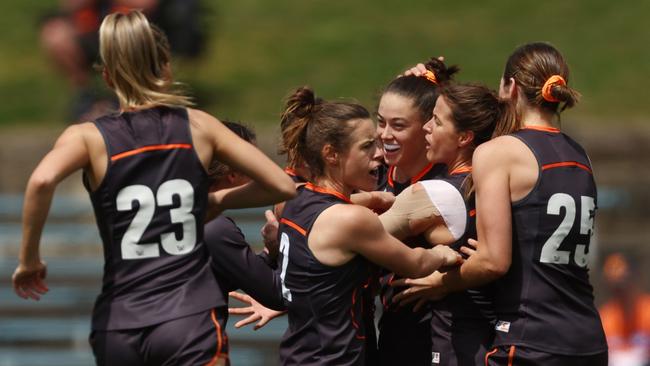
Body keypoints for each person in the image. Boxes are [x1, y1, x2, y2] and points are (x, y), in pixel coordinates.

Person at [13, 10, 295, 366]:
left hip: (119, 323)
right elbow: (281, 184)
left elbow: (40, 181)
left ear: (107, 76)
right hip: (187, 319)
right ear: (166, 67)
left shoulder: (87, 137)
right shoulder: (197, 126)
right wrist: (218, 200)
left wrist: (29, 261)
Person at [401, 42, 608, 365]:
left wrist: (441, 282)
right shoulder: (580, 155)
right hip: (589, 341)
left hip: (531, 340)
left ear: (510, 87)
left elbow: (493, 262)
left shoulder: (498, 153)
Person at [275, 86, 462, 365]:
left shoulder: (293, 200)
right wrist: (443, 254)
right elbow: (416, 264)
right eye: (366, 147)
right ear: (331, 155)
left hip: (298, 354)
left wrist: (371, 197)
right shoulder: (352, 220)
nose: (378, 154)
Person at [380, 82, 515, 366]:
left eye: (437, 121)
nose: (426, 127)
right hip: (489, 342)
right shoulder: (495, 184)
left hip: (456, 344)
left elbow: (356, 237)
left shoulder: (435, 194)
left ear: (464, 137)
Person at [375, 57, 458, 365]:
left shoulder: (445, 183)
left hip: (438, 336)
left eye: (398, 125)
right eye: (381, 121)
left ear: (427, 129)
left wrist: (445, 281)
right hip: (391, 332)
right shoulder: (375, 173)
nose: (384, 135)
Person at [599, 252, 650, 366]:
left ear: (635, 278)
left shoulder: (647, 311)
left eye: (623, 282)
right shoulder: (603, 318)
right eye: (614, 286)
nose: (620, 291)